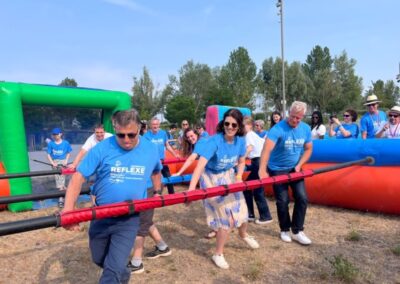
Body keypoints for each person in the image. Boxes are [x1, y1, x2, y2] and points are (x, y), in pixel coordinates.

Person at [62, 109, 162, 284]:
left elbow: (155, 171)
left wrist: (158, 192)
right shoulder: (103, 147)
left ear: (139, 128)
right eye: (121, 135)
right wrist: (68, 211)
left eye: (131, 135)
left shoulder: (150, 149)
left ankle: (117, 273)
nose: (126, 140)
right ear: (115, 129)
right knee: (99, 259)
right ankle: (123, 275)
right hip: (101, 215)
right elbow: (78, 177)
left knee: (113, 268)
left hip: (129, 218)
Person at [188, 109, 259, 270]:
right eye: (227, 123)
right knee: (226, 216)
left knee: (242, 208)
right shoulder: (214, 142)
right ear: (223, 124)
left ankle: (243, 235)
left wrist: (240, 177)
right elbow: (199, 167)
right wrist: (191, 191)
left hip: (228, 175)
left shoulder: (240, 141)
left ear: (239, 126)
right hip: (210, 178)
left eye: (234, 125)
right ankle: (218, 254)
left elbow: (241, 161)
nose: (230, 127)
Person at [259, 101, 313, 245]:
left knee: (302, 198)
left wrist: (299, 165)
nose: (295, 120)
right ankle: (284, 229)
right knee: (283, 200)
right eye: (293, 116)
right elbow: (266, 150)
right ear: (289, 113)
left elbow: (308, 149)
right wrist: (262, 169)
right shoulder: (277, 129)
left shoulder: (306, 129)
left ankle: (297, 230)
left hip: (295, 167)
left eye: (298, 118)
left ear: (302, 117)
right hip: (277, 168)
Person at [128, 185, 172, 274]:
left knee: (141, 223)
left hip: (147, 187)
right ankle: (162, 247)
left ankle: (136, 264)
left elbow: (156, 172)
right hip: (141, 186)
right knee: (146, 220)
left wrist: (157, 192)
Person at [242, 117, 273, 224]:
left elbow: (250, 148)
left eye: (243, 125)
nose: (242, 128)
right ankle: (251, 214)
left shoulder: (250, 135)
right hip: (260, 162)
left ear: (249, 126)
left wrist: (242, 159)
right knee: (250, 188)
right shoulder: (254, 135)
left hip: (259, 162)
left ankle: (265, 216)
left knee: (255, 189)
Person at [144, 117, 179, 194]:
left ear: (159, 124)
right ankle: (151, 196)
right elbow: (144, 149)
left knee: (168, 178)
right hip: (152, 162)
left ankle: (172, 195)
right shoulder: (146, 136)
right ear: (150, 125)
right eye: (153, 124)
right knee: (151, 180)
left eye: (156, 124)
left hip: (162, 161)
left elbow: (167, 145)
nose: (155, 126)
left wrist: (175, 154)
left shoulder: (163, 133)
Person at [46, 127, 72, 208]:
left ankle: (62, 198)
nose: (55, 136)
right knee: (60, 180)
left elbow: (68, 152)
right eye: (54, 135)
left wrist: (66, 161)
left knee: (61, 181)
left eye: (57, 134)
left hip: (63, 163)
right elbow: (48, 154)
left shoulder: (66, 143)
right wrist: (52, 163)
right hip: (55, 163)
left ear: (61, 134)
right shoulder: (51, 144)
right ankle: (65, 196)